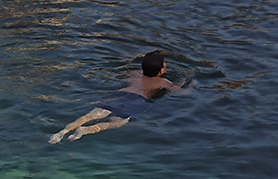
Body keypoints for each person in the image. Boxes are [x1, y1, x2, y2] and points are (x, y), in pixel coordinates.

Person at [49, 50, 190, 143]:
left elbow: (120, 73)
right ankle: (85, 131)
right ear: (161, 71)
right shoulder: (164, 82)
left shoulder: (135, 74)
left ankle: (63, 131)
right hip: (136, 101)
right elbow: (184, 93)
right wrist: (192, 84)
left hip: (119, 95)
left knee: (89, 115)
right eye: (164, 65)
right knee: (118, 122)